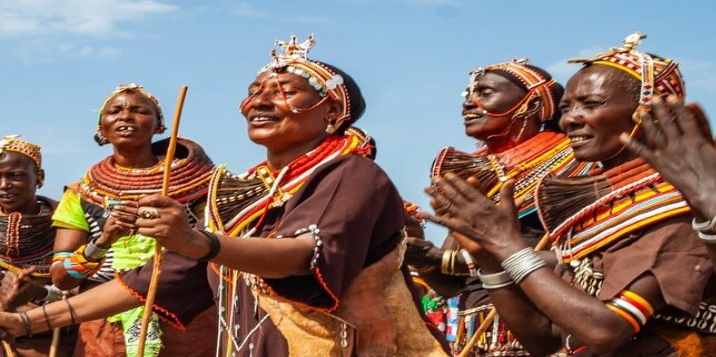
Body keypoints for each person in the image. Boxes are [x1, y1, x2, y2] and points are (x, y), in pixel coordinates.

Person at [0, 35, 448, 357]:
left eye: (284, 93)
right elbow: (158, 277)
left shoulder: (352, 174)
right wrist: (27, 322)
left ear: (331, 111)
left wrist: (202, 243)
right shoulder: (238, 193)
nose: (260, 101)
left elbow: (305, 254)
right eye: (255, 92)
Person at [424, 32, 716, 356]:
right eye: (566, 109)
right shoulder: (600, 210)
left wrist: (507, 246)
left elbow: (606, 331)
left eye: (590, 103)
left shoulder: (680, 205)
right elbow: (544, 339)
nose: (570, 120)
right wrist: (488, 257)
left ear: (649, 109)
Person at [405, 58, 591, 356]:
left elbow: (586, 258)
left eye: (485, 93)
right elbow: (451, 286)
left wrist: (451, 260)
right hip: (475, 336)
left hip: (541, 327)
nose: (469, 103)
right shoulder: (474, 174)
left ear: (530, 105)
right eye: (467, 96)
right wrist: (417, 245)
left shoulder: (574, 166)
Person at [48, 84, 216, 357]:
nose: (126, 116)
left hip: (185, 313)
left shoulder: (196, 184)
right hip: (104, 316)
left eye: (139, 110)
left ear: (160, 126)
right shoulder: (81, 193)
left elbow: (220, 246)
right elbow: (62, 279)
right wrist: (103, 241)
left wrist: (178, 231)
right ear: (101, 129)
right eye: (115, 111)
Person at [0, 135, 77, 357]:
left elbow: (89, 285)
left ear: (39, 178)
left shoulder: (69, 223)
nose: (4, 186)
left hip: (55, 338)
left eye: (15, 176)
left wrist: (41, 293)